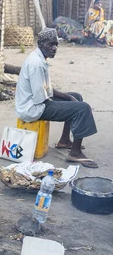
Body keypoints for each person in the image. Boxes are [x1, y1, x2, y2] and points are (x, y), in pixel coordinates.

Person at [15, 28, 98, 168]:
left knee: (76, 97)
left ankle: (64, 140)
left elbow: (46, 89)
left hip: (36, 101)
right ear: (40, 44)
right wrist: (67, 105)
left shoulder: (39, 57)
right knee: (82, 108)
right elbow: (41, 98)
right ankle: (75, 153)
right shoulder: (36, 64)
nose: (54, 48)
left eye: (56, 45)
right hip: (32, 108)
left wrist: (68, 98)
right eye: (50, 45)